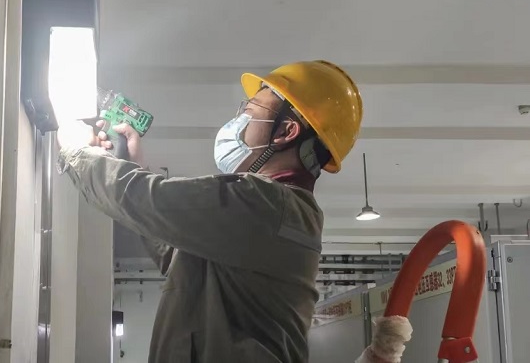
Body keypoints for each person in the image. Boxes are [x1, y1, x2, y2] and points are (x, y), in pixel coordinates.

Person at [58, 60, 363, 363]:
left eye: (250, 110)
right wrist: (130, 165)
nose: (239, 120)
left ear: (286, 130)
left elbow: (147, 200)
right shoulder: (283, 213)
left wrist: (76, 151)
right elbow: (176, 255)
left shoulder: (265, 203)